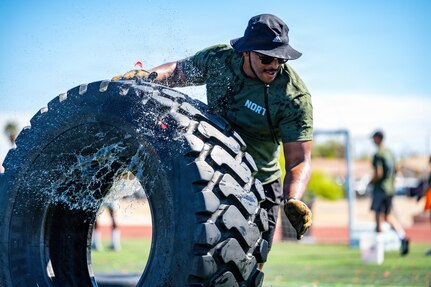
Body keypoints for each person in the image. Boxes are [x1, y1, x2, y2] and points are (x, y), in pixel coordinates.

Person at [114, 14, 313, 268]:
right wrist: (147, 76)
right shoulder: (219, 60)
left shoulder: (292, 96)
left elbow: (299, 159)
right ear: (246, 53)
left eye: (281, 58)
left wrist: (293, 198)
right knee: (199, 259)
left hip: (261, 185)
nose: (274, 65)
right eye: (266, 57)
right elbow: (178, 71)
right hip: (213, 174)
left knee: (249, 266)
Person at [369, 130, 409, 255]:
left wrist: (370, 182)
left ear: (378, 138)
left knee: (377, 216)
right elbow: (397, 168)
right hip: (391, 189)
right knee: (386, 216)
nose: (373, 141)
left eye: (374, 138)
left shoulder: (378, 154)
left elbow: (378, 173)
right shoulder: (390, 152)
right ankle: (402, 237)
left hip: (381, 189)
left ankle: (377, 247)